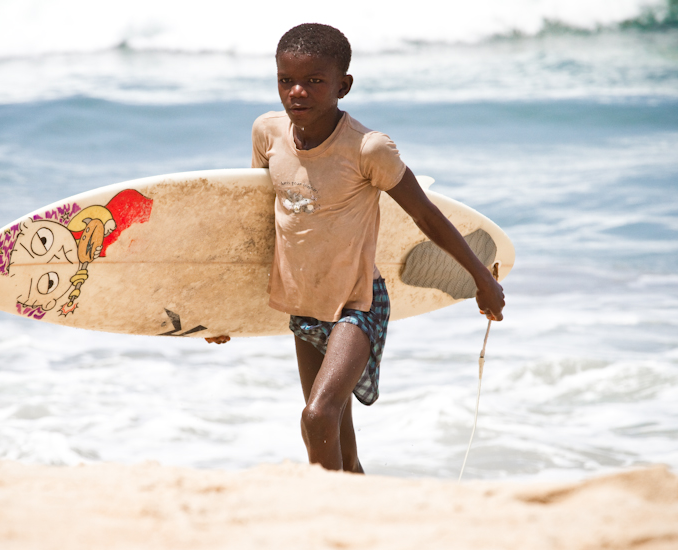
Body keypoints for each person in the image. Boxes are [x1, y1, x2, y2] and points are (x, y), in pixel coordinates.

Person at [207, 23, 505, 474]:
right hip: (304, 303)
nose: (297, 92)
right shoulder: (267, 133)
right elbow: (259, 228)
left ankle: (325, 504)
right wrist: (222, 311)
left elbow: (426, 216)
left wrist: (483, 280)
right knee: (341, 447)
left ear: (343, 86)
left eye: (314, 81)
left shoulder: (368, 149)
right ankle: (357, 506)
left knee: (317, 416)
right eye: (286, 80)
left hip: (357, 303)